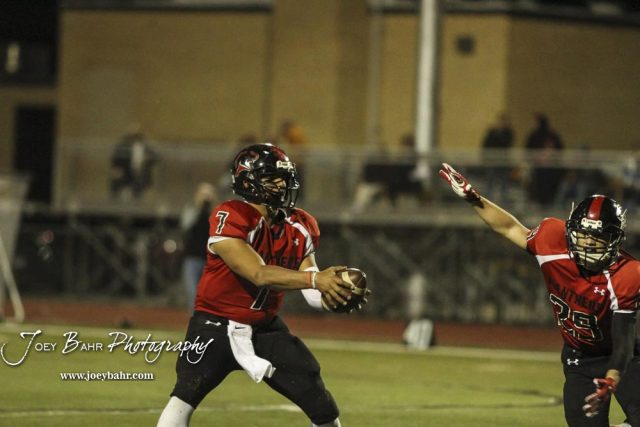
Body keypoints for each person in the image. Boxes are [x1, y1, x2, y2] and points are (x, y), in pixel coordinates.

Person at [158, 143, 367, 427]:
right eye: (273, 178)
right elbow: (258, 273)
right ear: (248, 182)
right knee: (183, 398)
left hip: (264, 329)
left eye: (284, 177)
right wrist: (317, 280)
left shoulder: (299, 225)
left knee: (319, 400)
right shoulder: (231, 215)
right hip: (214, 326)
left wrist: (333, 293)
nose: (282, 184)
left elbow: (310, 287)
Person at [439, 163, 640, 427]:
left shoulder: (627, 274)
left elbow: (624, 341)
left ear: (615, 240)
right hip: (580, 357)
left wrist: (612, 377)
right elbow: (509, 228)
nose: (588, 244)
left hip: (622, 356)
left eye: (597, 238)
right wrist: (474, 198)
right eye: (583, 235)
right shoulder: (551, 240)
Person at [179, 182, 217, 312]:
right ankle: (195, 319)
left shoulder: (215, 212)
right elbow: (186, 225)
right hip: (192, 257)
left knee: (208, 294)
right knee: (192, 293)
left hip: (209, 259)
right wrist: (199, 208)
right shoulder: (191, 210)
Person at [109, 131, 159, 200]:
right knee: (120, 191)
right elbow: (116, 159)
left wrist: (147, 160)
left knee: (138, 192)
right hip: (126, 173)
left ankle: (137, 199)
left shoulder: (145, 147)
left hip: (141, 174)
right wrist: (116, 169)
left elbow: (156, 157)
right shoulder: (123, 147)